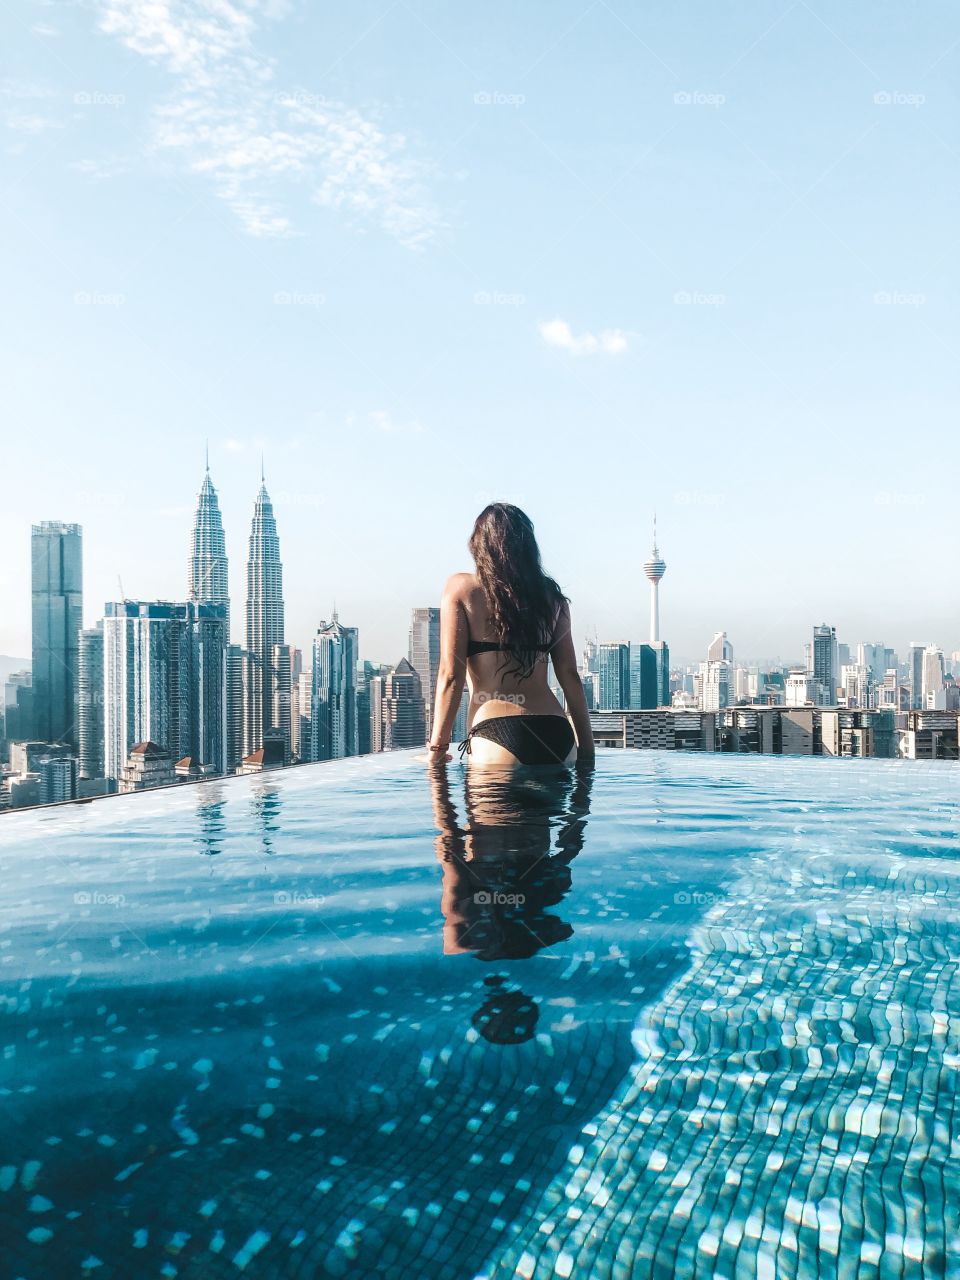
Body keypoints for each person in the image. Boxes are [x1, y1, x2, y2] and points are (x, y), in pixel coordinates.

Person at [426, 503, 595, 767]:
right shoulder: (553, 598)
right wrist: (586, 751)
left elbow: (451, 675)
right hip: (558, 738)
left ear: (478, 544)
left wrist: (437, 749)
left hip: (497, 736)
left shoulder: (462, 588)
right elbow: (571, 677)